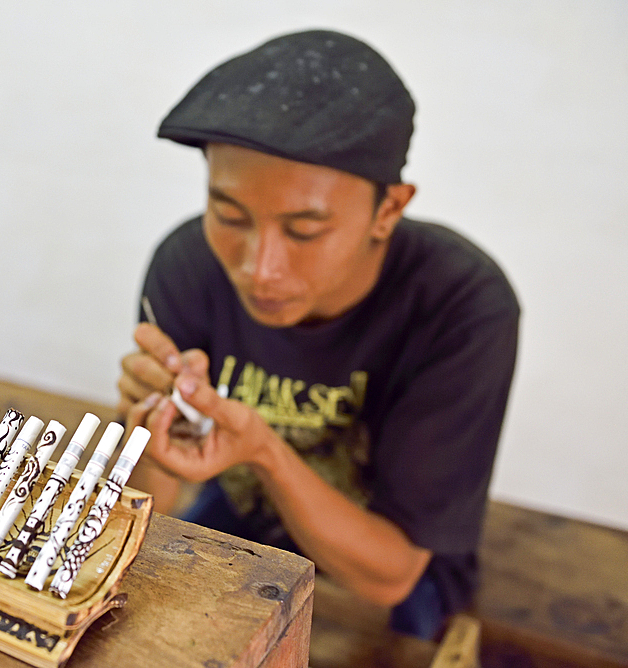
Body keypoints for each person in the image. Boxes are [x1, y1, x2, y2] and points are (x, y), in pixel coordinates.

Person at [117, 29, 519, 640]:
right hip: (246, 512)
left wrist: (264, 451)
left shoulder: (462, 304)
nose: (260, 269)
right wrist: (145, 432)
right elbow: (156, 501)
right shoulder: (189, 264)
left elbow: (390, 575)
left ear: (388, 210)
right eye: (230, 216)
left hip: (388, 561)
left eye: (304, 229)